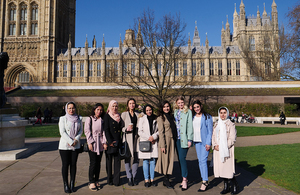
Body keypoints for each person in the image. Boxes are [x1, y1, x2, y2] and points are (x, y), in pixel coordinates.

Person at [212, 107, 238, 194]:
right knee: (222, 169)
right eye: (221, 113)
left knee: (228, 170)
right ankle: (226, 186)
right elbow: (213, 136)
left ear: (227, 113)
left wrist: (224, 146)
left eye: (224, 113)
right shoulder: (216, 124)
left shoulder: (230, 124)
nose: (223, 115)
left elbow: (232, 138)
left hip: (226, 150)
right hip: (218, 150)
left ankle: (234, 185)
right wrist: (215, 145)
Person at [58, 102, 83, 193]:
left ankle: (72, 183)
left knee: (73, 165)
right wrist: (70, 141)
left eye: (73, 108)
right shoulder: (63, 119)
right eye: (69, 108)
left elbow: (80, 131)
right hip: (65, 146)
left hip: (75, 146)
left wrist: (76, 139)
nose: (71, 110)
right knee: (65, 165)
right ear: (66, 109)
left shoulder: (79, 118)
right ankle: (66, 184)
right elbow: (62, 132)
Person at [84, 103, 107, 191]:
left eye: (101, 110)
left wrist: (104, 142)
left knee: (98, 163)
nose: (99, 111)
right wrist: (90, 142)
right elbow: (87, 131)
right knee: (93, 163)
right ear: (94, 110)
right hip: (93, 143)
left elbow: (104, 131)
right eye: (98, 109)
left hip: (100, 143)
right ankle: (91, 181)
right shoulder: (90, 119)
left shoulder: (102, 119)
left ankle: (97, 180)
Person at [192, 100, 213, 192]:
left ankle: (205, 182)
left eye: (198, 106)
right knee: (200, 161)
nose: (196, 109)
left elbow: (210, 131)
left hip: (204, 142)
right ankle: (204, 179)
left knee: (203, 161)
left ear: (201, 106)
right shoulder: (193, 117)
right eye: (195, 107)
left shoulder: (207, 117)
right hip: (197, 142)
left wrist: (209, 143)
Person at [155, 100, 176, 189]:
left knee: (170, 159)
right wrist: (162, 145)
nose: (166, 108)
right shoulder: (160, 117)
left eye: (167, 106)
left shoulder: (171, 116)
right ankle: (166, 179)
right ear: (161, 108)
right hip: (166, 141)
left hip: (173, 140)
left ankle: (166, 179)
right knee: (165, 160)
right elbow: (161, 132)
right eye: (164, 107)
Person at [173, 97, 193, 191]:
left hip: (184, 138)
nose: (181, 104)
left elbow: (189, 125)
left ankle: (185, 179)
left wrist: (190, 139)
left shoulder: (188, 111)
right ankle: (183, 178)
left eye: (182, 102)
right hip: (176, 139)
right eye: (179, 103)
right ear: (176, 103)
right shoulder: (175, 112)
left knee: (182, 158)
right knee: (180, 159)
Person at [138, 104, 159, 187]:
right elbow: (140, 131)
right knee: (146, 161)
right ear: (144, 111)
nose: (149, 111)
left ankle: (152, 179)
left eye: (150, 110)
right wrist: (149, 138)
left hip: (154, 142)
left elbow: (159, 130)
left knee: (153, 161)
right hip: (146, 142)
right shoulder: (142, 119)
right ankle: (146, 180)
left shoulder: (156, 118)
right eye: (147, 110)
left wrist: (154, 137)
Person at [121, 98, 140, 186]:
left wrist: (140, 107)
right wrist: (126, 129)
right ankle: (129, 177)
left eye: (133, 103)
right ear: (127, 105)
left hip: (136, 138)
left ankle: (134, 176)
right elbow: (120, 127)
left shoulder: (138, 114)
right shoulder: (124, 114)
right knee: (127, 158)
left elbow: (146, 112)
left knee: (136, 158)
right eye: (130, 103)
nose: (132, 105)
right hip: (127, 139)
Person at [104, 100, 123, 186]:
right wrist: (110, 141)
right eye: (113, 106)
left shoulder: (119, 116)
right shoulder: (107, 116)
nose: (114, 108)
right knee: (109, 162)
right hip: (110, 142)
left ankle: (116, 181)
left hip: (118, 141)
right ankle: (109, 179)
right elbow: (106, 129)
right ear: (109, 107)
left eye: (116, 106)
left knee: (117, 162)